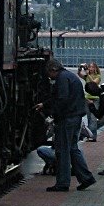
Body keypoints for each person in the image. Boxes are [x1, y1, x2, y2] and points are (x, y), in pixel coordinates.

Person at [36, 59, 96, 192]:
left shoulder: (62, 79)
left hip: (66, 119)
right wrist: (45, 104)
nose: (48, 77)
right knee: (73, 149)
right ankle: (86, 178)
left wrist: (52, 114)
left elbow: (62, 99)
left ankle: (63, 183)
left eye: (49, 73)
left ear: (53, 70)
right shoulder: (70, 76)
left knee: (62, 150)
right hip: (76, 118)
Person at [80, 61, 101, 142]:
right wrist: (81, 68)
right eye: (89, 67)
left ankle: (93, 136)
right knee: (89, 117)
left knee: (93, 118)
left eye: (92, 67)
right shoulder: (86, 76)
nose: (91, 69)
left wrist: (88, 74)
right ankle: (90, 135)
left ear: (95, 68)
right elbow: (79, 74)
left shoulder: (98, 76)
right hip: (87, 99)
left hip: (95, 98)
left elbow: (94, 83)